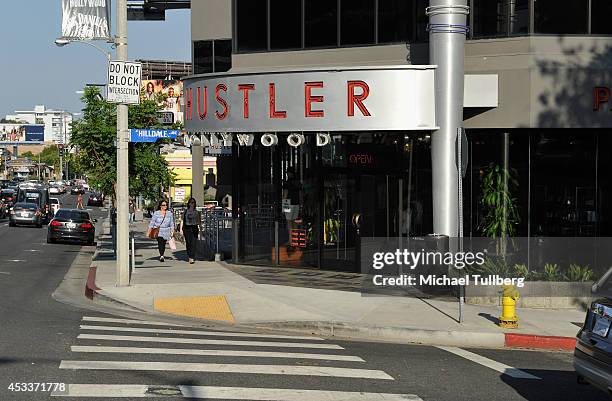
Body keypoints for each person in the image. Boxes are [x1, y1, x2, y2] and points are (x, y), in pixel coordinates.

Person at [180, 198, 202, 264]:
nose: (192, 204)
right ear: (188, 203)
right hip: (187, 228)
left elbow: (199, 221)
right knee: (188, 243)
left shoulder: (197, 212)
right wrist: (181, 229)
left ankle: (191, 257)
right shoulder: (185, 211)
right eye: (191, 202)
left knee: (194, 243)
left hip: (194, 228)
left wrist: (200, 230)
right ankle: (189, 255)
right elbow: (182, 220)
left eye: (193, 202)